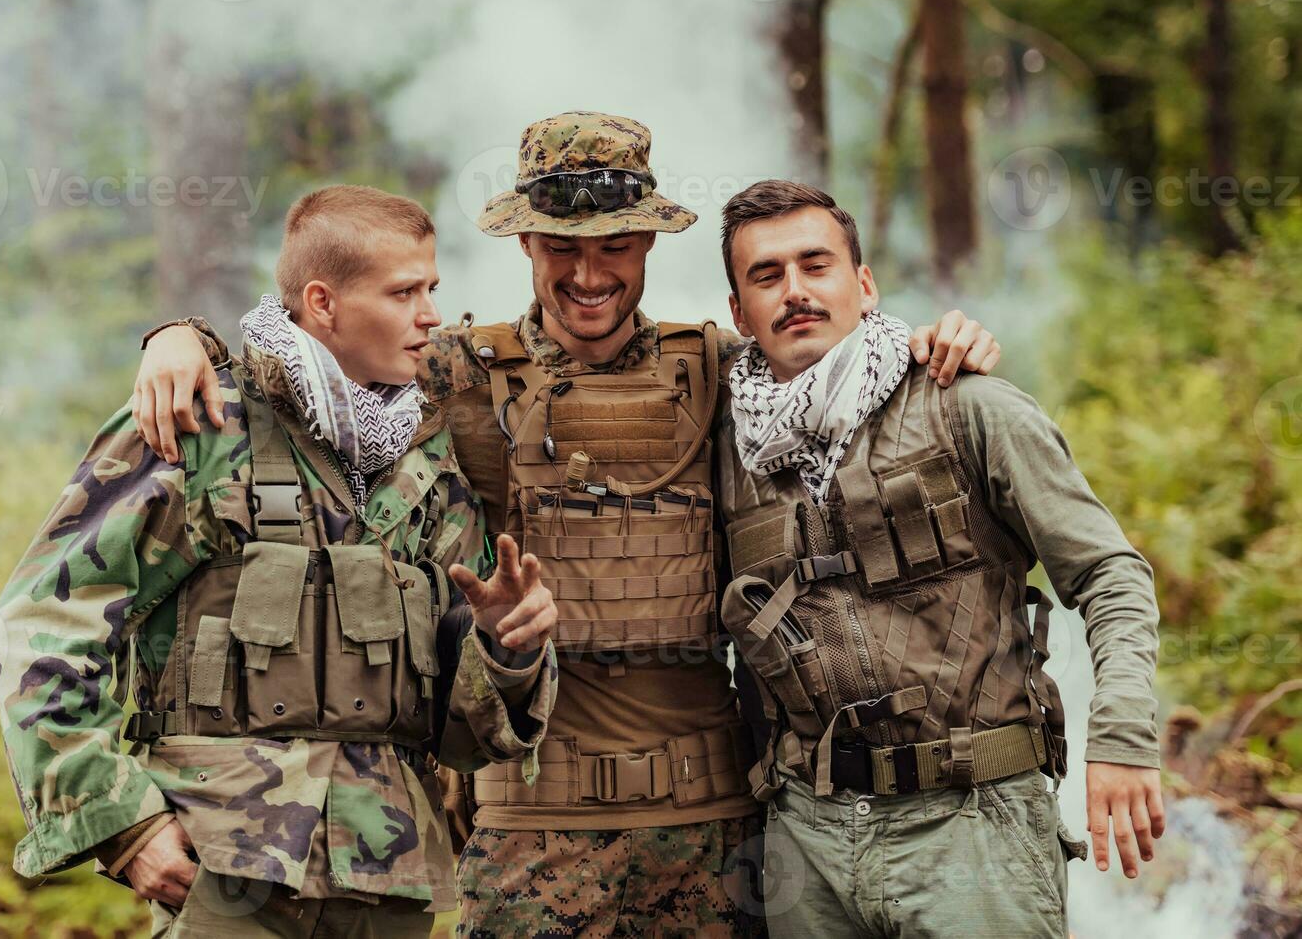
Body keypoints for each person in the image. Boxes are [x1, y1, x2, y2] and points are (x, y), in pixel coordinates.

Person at [132, 112, 1001, 936]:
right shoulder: (453, 375)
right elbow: (311, 358)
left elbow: (831, 360)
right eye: (560, 250)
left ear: (651, 240)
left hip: (712, 825)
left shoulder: (718, 372)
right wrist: (182, 339)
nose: (589, 275)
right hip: (525, 826)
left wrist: (935, 342)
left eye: (616, 247)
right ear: (524, 243)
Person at [0, 185, 559, 938]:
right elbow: (41, 626)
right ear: (322, 302)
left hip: (385, 878)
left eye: (432, 290)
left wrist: (506, 649)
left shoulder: (427, 459)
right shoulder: (200, 420)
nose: (429, 315)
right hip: (227, 870)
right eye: (404, 292)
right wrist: (121, 824)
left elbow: (458, 732)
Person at [714, 179, 1164, 937]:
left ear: (863, 283)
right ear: (737, 313)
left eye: (815, 265)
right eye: (766, 276)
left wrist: (1122, 736)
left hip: (972, 828)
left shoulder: (968, 406)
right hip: (807, 843)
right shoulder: (729, 448)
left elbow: (1110, 575)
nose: (794, 291)